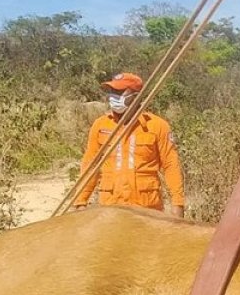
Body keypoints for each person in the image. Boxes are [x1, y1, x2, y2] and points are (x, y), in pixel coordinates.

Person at [72, 72, 185, 216]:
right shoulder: (100, 125)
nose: (113, 96)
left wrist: (178, 204)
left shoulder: (157, 126)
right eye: (112, 91)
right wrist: (81, 201)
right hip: (111, 207)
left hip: (147, 208)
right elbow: (90, 164)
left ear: (135, 96)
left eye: (119, 92)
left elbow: (171, 165)